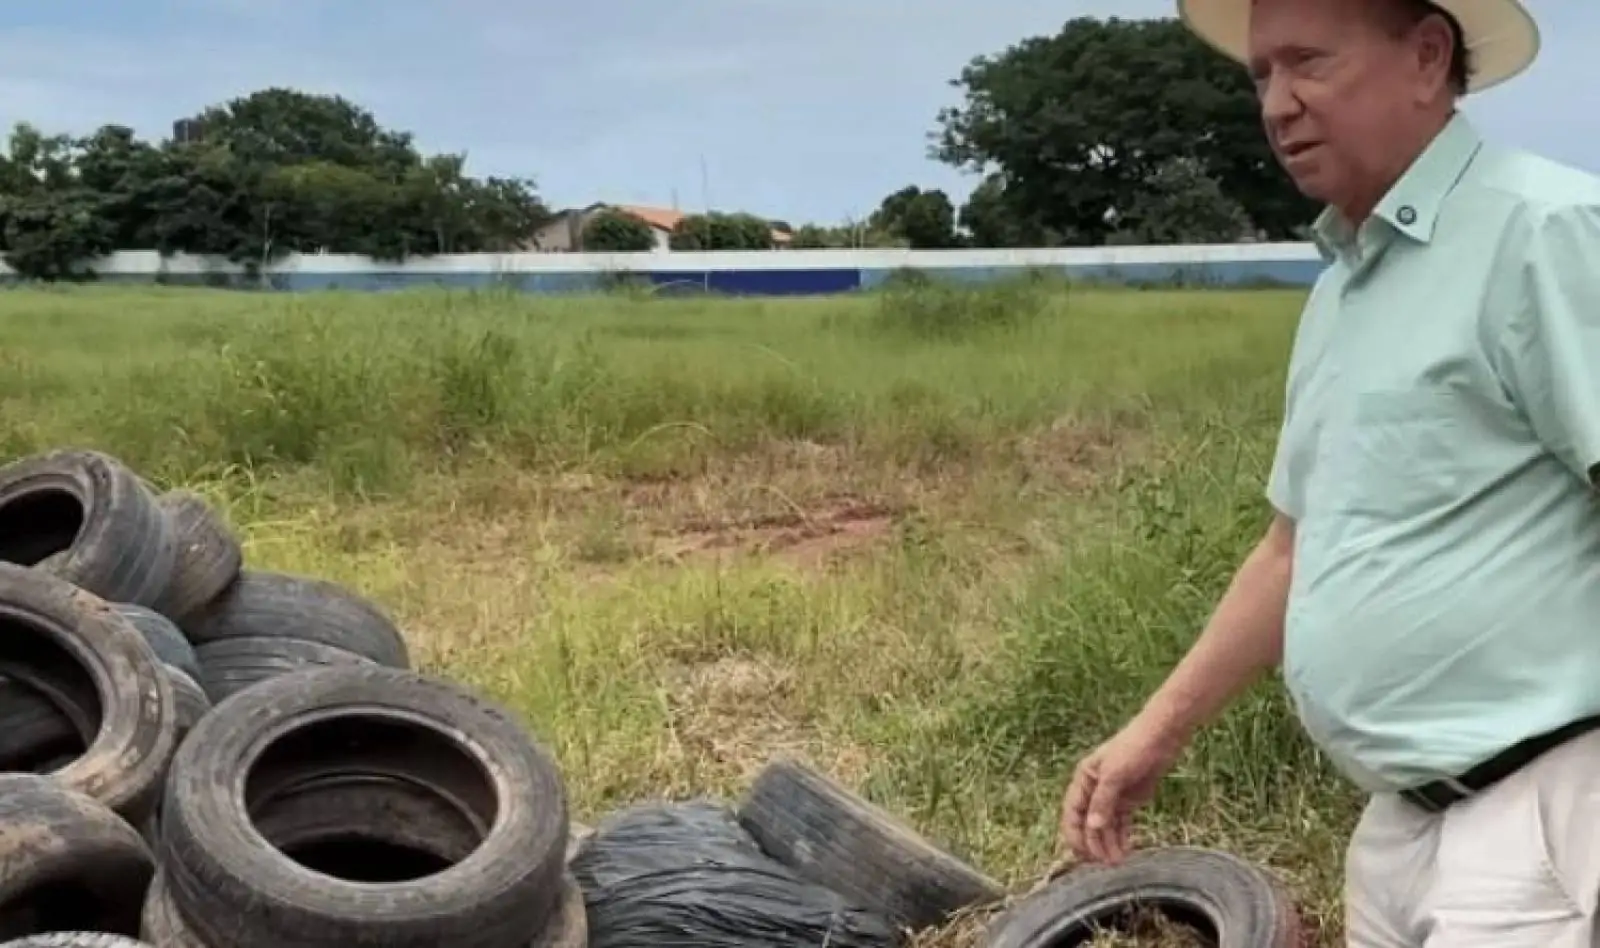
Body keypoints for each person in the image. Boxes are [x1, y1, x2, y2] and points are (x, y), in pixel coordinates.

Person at [1056, 0, 1600, 944]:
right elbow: (1291, 548)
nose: (1278, 103)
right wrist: (1155, 732)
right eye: (1261, 73)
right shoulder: (1344, 283)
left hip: (1535, 815)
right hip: (1396, 825)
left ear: (1428, 56)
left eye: (1309, 61)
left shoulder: (1545, 231)